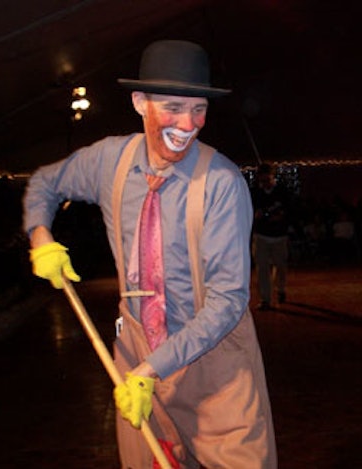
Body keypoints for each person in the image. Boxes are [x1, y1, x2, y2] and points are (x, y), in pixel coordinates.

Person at [23, 40, 277, 468]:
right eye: (174, 107)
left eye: (198, 109)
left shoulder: (221, 183)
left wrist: (153, 369)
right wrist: (40, 236)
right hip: (137, 352)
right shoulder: (110, 160)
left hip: (213, 363)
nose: (189, 123)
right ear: (140, 102)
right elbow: (45, 184)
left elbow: (228, 300)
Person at [251, 163, 291, 310]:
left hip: (279, 236)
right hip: (261, 235)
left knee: (280, 266)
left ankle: (280, 289)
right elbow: (250, 211)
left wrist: (282, 217)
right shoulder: (255, 193)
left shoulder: (283, 192)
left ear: (273, 177)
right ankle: (265, 299)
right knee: (262, 268)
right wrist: (256, 215)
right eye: (262, 181)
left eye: (267, 180)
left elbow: (292, 210)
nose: (265, 184)